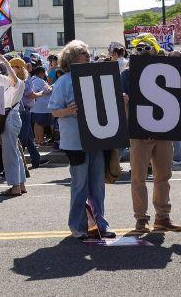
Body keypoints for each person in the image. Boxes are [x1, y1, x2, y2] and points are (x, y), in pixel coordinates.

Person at [49, 40, 115, 240]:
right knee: (80, 184)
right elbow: (53, 111)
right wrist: (67, 111)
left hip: (96, 137)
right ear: (72, 58)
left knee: (97, 184)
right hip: (75, 141)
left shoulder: (94, 78)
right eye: (83, 53)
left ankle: (100, 223)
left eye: (87, 53)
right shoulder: (63, 82)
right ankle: (78, 226)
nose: (88, 56)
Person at [118, 48, 181, 233]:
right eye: (141, 49)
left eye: (149, 49)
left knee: (163, 176)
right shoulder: (127, 74)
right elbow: (119, 100)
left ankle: (162, 216)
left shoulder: (167, 71)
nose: (145, 53)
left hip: (163, 132)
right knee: (138, 177)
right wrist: (123, 100)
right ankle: (141, 217)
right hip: (139, 133)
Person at [0, 54, 26, 197]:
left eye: (15, 67)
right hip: (10, 117)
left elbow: (13, 77)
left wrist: (4, 61)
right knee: (15, 152)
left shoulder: (19, 82)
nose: (11, 68)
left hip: (11, 117)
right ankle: (20, 184)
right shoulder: (8, 81)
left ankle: (15, 187)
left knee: (10, 154)